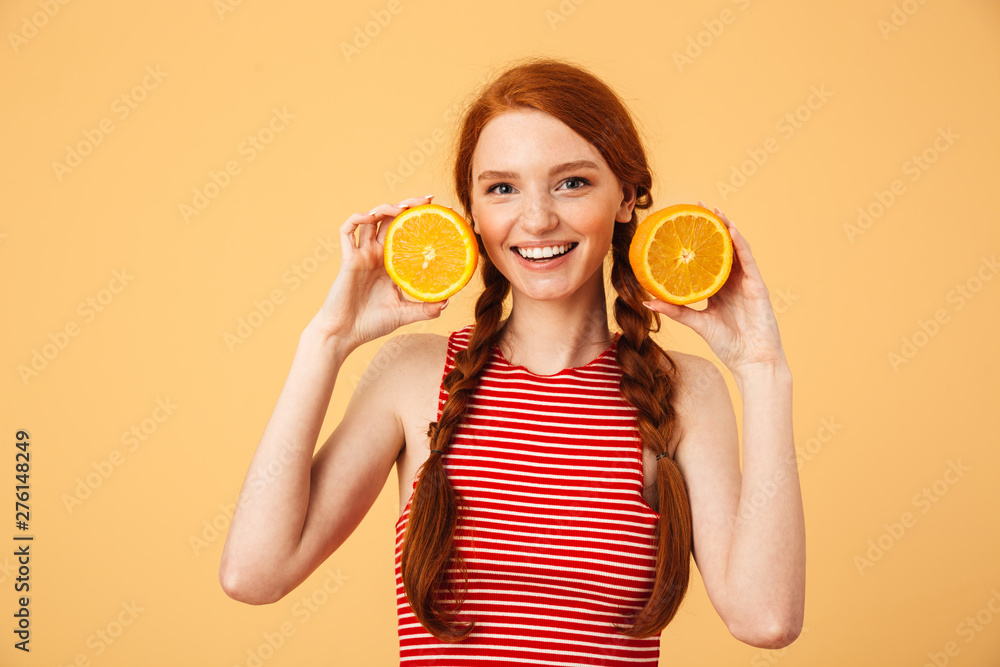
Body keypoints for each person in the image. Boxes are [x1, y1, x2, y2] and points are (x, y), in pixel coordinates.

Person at [219, 57, 805, 664]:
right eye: (502, 188)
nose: (536, 218)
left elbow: (766, 618)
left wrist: (763, 369)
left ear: (627, 197)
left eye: (572, 182)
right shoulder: (414, 376)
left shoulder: (684, 392)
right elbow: (254, 574)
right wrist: (327, 340)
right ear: (473, 212)